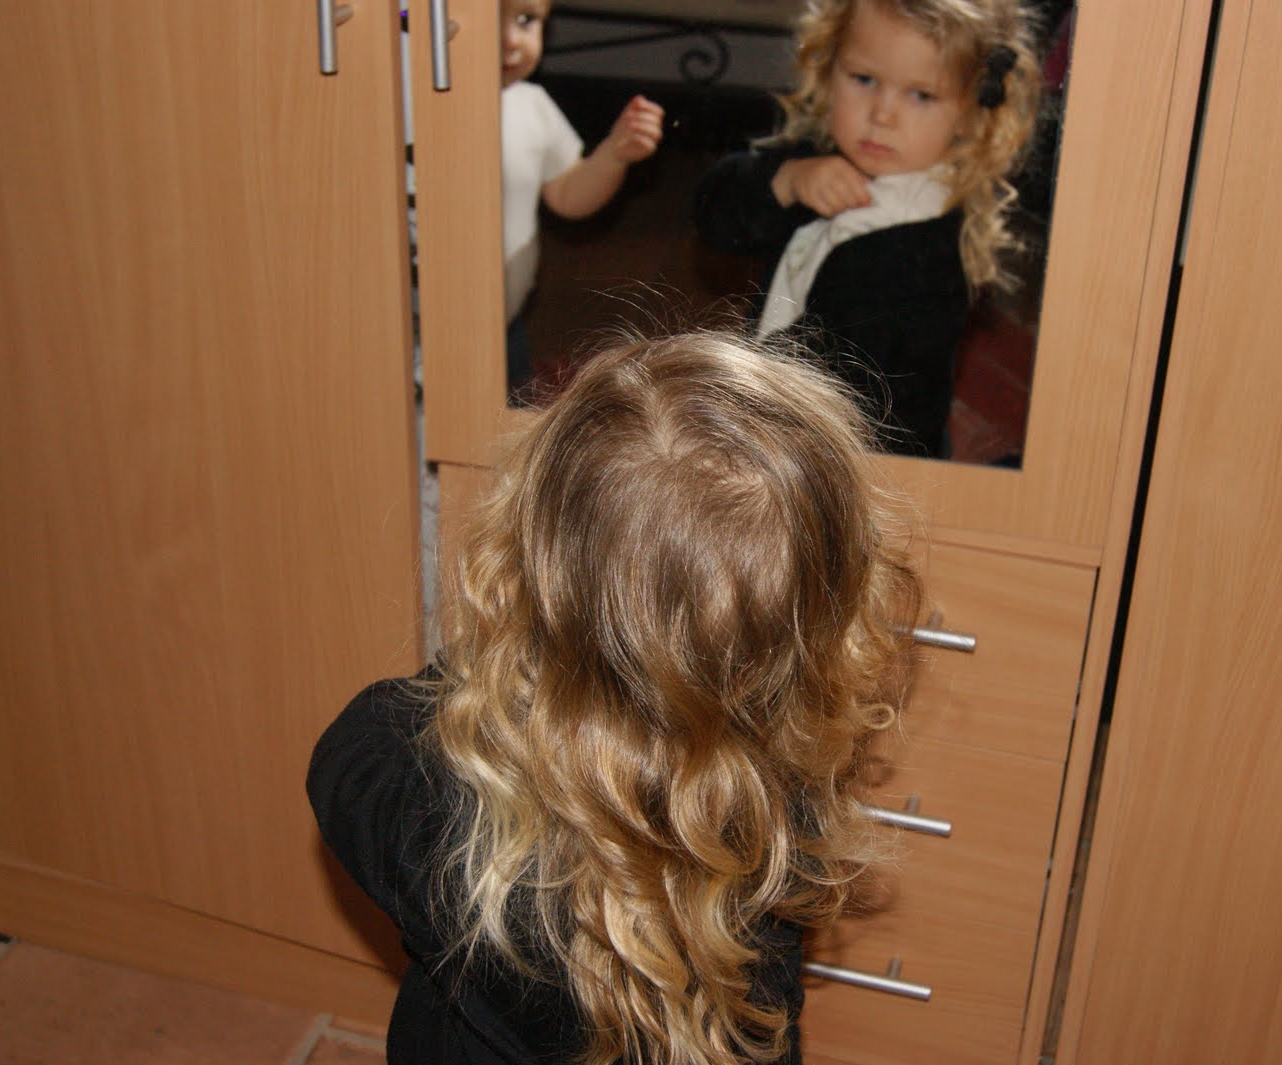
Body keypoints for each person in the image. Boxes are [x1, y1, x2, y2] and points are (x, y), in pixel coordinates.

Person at [308, 331, 922, 1064]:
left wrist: (518, 645)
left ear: (533, 564)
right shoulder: (778, 822)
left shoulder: (426, 798)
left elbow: (347, 756)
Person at [693, 0, 1039, 458]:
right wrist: (786, 181)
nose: (882, 115)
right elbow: (711, 215)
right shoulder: (814, 158)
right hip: (776, 419)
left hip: (865, 454)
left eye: (921, 95)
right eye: (864, 79)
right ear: (828, 69)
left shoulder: (930, 251)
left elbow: (883, 400)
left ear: (970, 114)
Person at [501, 0, 666, 394]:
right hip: (419, 318)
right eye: (488, 17)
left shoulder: (531, 105)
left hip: (504, 320)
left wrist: (612, 154)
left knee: (511, 412)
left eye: (525, 20)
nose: (510, 40)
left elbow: (568, 194)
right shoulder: (420, 104)